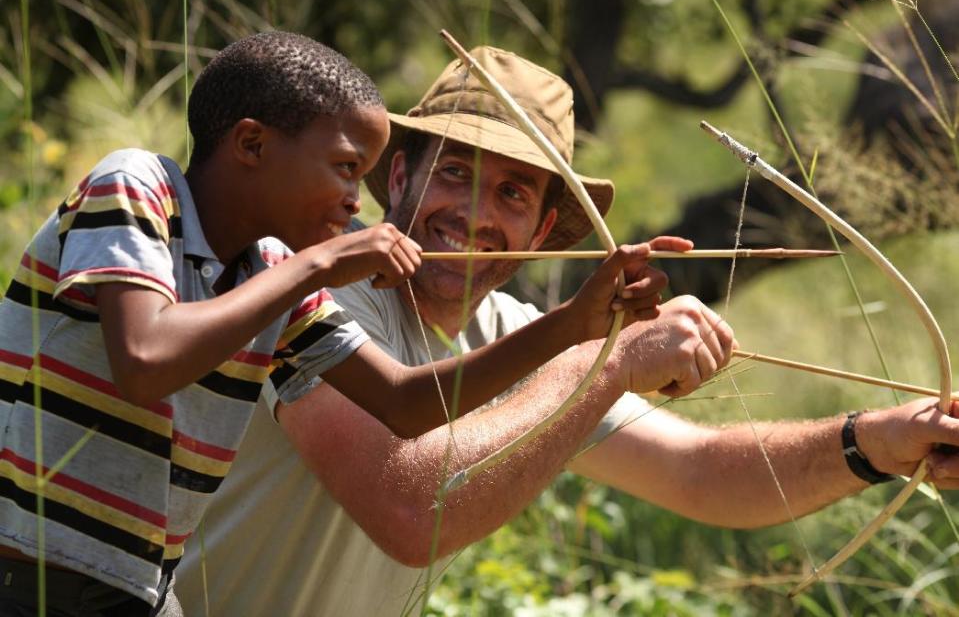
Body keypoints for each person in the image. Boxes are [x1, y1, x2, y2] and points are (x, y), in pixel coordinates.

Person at [178, 46, 959, 616]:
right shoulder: (316, 285)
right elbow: (410, 511)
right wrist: (608, 362)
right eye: (453, 171)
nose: (475, 214)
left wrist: (876, 440)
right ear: (400, 177)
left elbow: (697, 471)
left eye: (512, 192)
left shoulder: (515, 331)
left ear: (547, 223)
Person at [0, 33, 661, 617]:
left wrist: (573, 325)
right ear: (252, 143)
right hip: (26, 575)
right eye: (347, 167)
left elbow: (405, 402)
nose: (356, 199)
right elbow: (144, 358)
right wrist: (318, 263)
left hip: (133, 591)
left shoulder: (271, 275)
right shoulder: (137, 185)